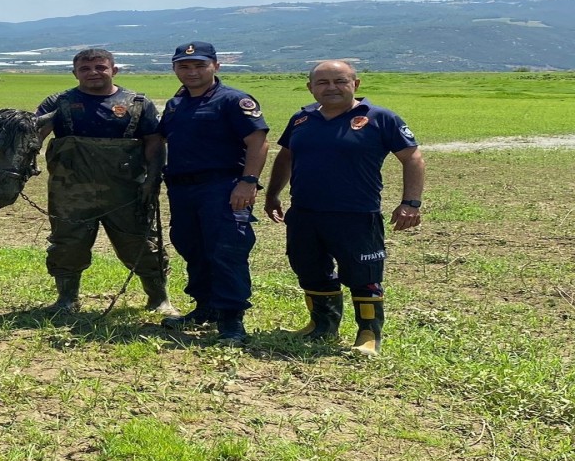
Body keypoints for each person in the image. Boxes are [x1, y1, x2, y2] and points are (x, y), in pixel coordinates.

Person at [264, 60, 425, 356]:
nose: (331, 88)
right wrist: (273, 193)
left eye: (340, 81)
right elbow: (285, 157)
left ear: (356, 84)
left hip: (356, 214)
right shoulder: (302, 119)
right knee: (310, 270)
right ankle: (321, 325)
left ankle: (368, 334)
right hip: (305, 213)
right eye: (322, 83)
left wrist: (410, 202)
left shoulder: (380, 118)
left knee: (364, 275)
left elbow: (412, 158)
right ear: (310, 88)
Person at [35, 48, 175, 315]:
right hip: (70, 190)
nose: (93, 73)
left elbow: (154, 143)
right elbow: (35, 134)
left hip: (127, 189)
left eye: (100, 67)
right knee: (67, 242)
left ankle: (159, 299)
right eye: (85, 69)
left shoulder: (137, 102)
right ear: (75, 73)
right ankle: (66, 299)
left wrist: (153, 179)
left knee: (140, 242)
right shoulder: (58, 102)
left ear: (114, 70)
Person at [146, 41, 269, 345]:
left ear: (216, 66)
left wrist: (248, 181)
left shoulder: (234, 100)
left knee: (227, 250)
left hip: (223, 187)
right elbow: (159, 139)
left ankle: (232, 320)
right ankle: (206, 307)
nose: (192, 72)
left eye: (200, 65)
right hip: (183, 189)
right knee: (192, 248)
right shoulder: (177, 104)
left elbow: (258, 142)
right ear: (175, 68)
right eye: (184, 66)